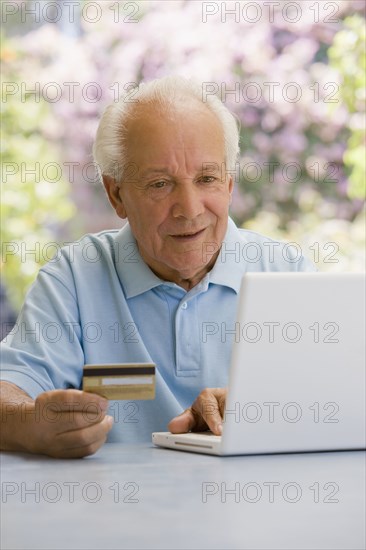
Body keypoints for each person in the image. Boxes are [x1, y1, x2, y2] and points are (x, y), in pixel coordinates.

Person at [0, 76, 315, 458]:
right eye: (161, 184)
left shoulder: (286, 272)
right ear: (117, 194)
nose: (190, 208)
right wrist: (29, 422)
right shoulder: (75, 278)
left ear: (229, 185)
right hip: (114, 512)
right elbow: (9, 387)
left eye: (207, 179)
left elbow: (337, 399)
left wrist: (260, 408)